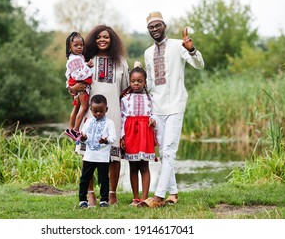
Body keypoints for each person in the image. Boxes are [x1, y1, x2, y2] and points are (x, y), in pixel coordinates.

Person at [141, 11, 205, 208]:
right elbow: (150, 83)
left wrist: (192, 49)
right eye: (151, 27)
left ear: (164, 26)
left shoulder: (178, 45)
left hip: (176, 105)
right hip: (157, 108)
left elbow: (199, 64)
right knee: (163, 151)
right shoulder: (148, 53)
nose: (155, 30)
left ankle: (159, 196)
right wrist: (150, 111)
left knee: (169, 150)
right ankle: (174, 193)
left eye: (157, 25)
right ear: (149, 30)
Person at [68, 25, 129, 206]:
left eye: (107, 37)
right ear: (93, 40)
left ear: (112, 40)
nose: (103, 40)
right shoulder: (86, 60)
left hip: (114, 113)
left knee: (113, 155)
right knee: (88, 156)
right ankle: (91, 194)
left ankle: (111, 194)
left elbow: (126, 91)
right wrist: (71, 88)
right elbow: (73, 82)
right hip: (89, 113)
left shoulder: (120, 62)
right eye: (99, 37)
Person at [120, 64, 157, 206]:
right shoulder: (125, 99)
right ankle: (135, 197)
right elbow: (122, 117)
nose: (136, 84)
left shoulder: (150, 98)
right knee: (133, 166)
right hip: (131, 132)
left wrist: (153, 120)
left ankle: (144, 197)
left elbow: (154, 113)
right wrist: (122, 136)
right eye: (133, 81)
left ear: (145, 82)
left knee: (144, 165)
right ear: (130, 82)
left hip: (145, 131)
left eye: (139, 81)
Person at [78, 94, 116, 208]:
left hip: (103, 157)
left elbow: (113, 138)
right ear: (91, 110)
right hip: (89, 156)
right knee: (85, 178)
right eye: (95, 111)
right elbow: (83, 138)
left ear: (106, 109)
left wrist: (106, 140)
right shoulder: (88, 122)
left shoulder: (110, 123)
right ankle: (82, 200)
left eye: (101, 111)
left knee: (103, 179)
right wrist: (83, 138)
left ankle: (104, 200)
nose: (98, 114)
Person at [64, 32, 93, 141]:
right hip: (80, 86)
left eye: (81, 45)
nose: (79, 47)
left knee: (76, 107)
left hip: (76, 86)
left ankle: (71, 128)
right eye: (76, 45)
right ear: (70, 47)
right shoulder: (74, 59)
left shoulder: (78, 57)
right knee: (84, 107)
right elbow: (79, 74)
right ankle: (75, 130)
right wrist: (88, 66)